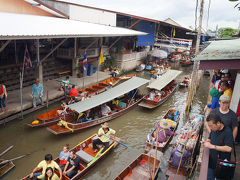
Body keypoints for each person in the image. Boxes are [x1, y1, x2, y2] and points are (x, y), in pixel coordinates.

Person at [202, 112, 233, 180]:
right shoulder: (214, 129)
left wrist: (212, 146)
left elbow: (229, 148)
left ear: (218, 123)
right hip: (211, 162)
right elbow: (210, 138)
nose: (210, 128)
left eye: (211, 126)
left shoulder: (228, 132)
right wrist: (206, 142)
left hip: (221, 164)